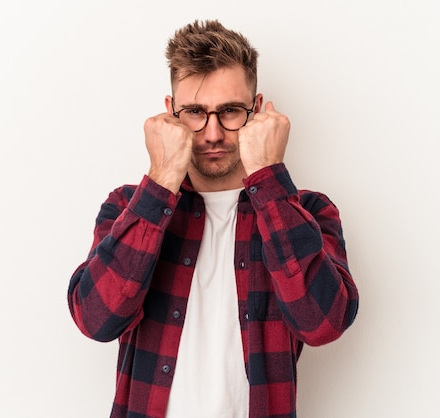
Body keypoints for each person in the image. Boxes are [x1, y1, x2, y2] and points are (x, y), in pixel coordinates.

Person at [67, 19, 359, 418]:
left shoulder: (307, 212)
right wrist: (162, 179)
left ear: (256, 111)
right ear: (170, 114)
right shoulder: (128, 207)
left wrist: (269, 180)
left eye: (230, 111)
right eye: (195, 113)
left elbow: (323, 324)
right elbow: (96, 320)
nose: (213, 133)